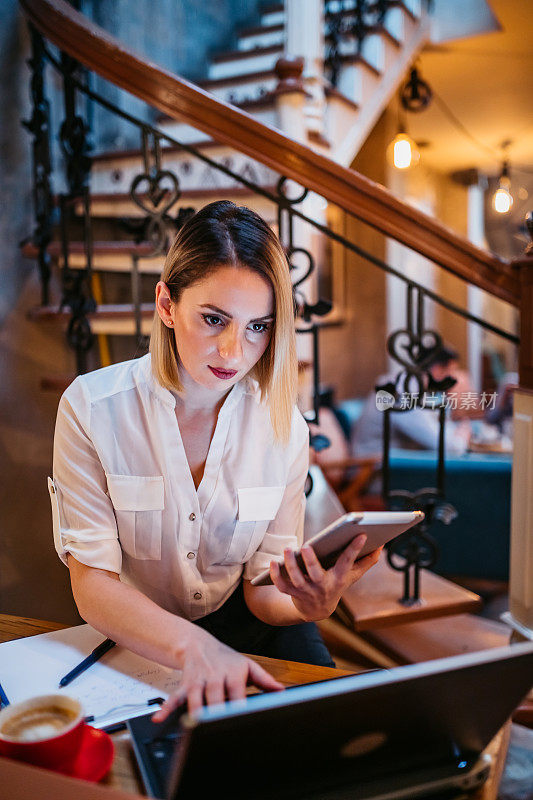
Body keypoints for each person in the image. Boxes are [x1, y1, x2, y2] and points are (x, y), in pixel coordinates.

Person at [50, 201, 382, 721]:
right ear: (166, 304)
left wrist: (309, 605)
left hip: (251, 624)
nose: (233, 351)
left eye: (258, 327)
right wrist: (192, 646)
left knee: (328, 733)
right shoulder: (90, 409)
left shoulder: (285, 430)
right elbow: (93, 585)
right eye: (213, 319)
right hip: (140, 627)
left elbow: (261, 591)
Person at [351, 345, 471, 457]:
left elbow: (440, 429)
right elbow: (447, 446)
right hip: (373, 469)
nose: (454, 379)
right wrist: (462, 437)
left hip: (397, 461)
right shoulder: (402, 390)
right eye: (451, 371)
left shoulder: (414, 387)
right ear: (437, 369)